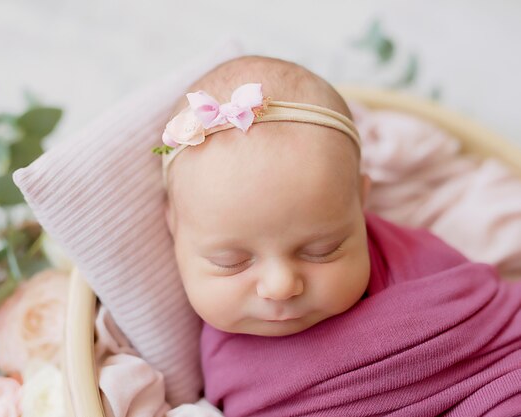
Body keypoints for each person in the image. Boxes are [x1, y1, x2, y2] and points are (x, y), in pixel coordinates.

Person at [155, 55, 521, 416]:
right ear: (175, 226)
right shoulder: (209, 364)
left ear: (361, 201)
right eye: (230, 262)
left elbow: (497, 328)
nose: (281, 285)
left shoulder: (412, 255)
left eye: (321, 250)